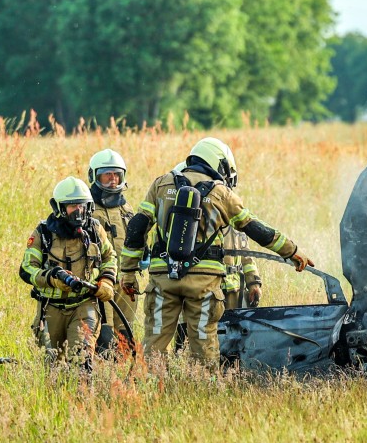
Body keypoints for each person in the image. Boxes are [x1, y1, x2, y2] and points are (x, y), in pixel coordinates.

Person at [120, 137, 312, 365]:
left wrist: (128, 274)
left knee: (155, 342)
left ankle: (150, 386)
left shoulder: (162, 184)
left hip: (163, 278)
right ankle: (205, 387)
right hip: (203, 283)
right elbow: (255, 229)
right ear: (218, 163)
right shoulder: (222, 193)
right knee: (204, 344)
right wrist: (292, 251)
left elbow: (137, 226)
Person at [19, 176, 118, 369]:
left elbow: (109, 257)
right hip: (51, 308)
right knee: (52, 366)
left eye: (82, 205)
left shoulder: (95, 230)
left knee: (82, 364)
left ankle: (82, 398)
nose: (78, 211)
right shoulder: (43, 233)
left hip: (84, 304)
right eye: (72, 206)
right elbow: (26, 269)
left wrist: (106, 281)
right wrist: (52, 279)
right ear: (59, 208)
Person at [86, 148, 138, 357]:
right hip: (101, 281)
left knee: (125, 331)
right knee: (103, 333)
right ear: (95, 176)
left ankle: (124, 375)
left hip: (126, 280)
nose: (113, 179)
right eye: (107, 174)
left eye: (117, 174)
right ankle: (101, 375)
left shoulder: (127, 209)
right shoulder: (86, 208)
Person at [221, 229, 263, 311]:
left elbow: (246, 258)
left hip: (237, 292)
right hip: (209, 289)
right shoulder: (206, 220)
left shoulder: (237, 221)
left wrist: (254, 284)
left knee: (237, 322)